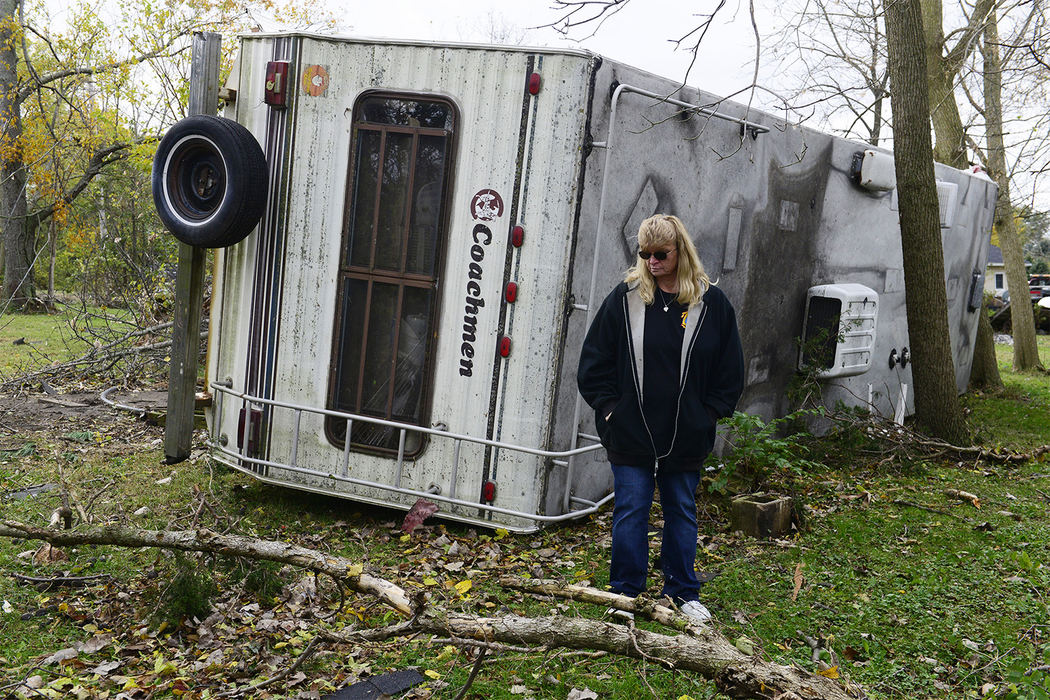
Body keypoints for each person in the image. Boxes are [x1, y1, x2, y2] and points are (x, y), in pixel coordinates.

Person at [577, 214, 744, 625]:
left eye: (660, 254)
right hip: (630, 431)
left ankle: (682, 593)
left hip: (686, 434)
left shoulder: (710, 303)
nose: (651, 261)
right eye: (644, 254)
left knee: (681, 510)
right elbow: (592, 363)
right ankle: (625, 595)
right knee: (631, 510)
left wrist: (707, 416)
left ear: (679, 250)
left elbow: (730, 369)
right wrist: (612, 410)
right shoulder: (626, 298)